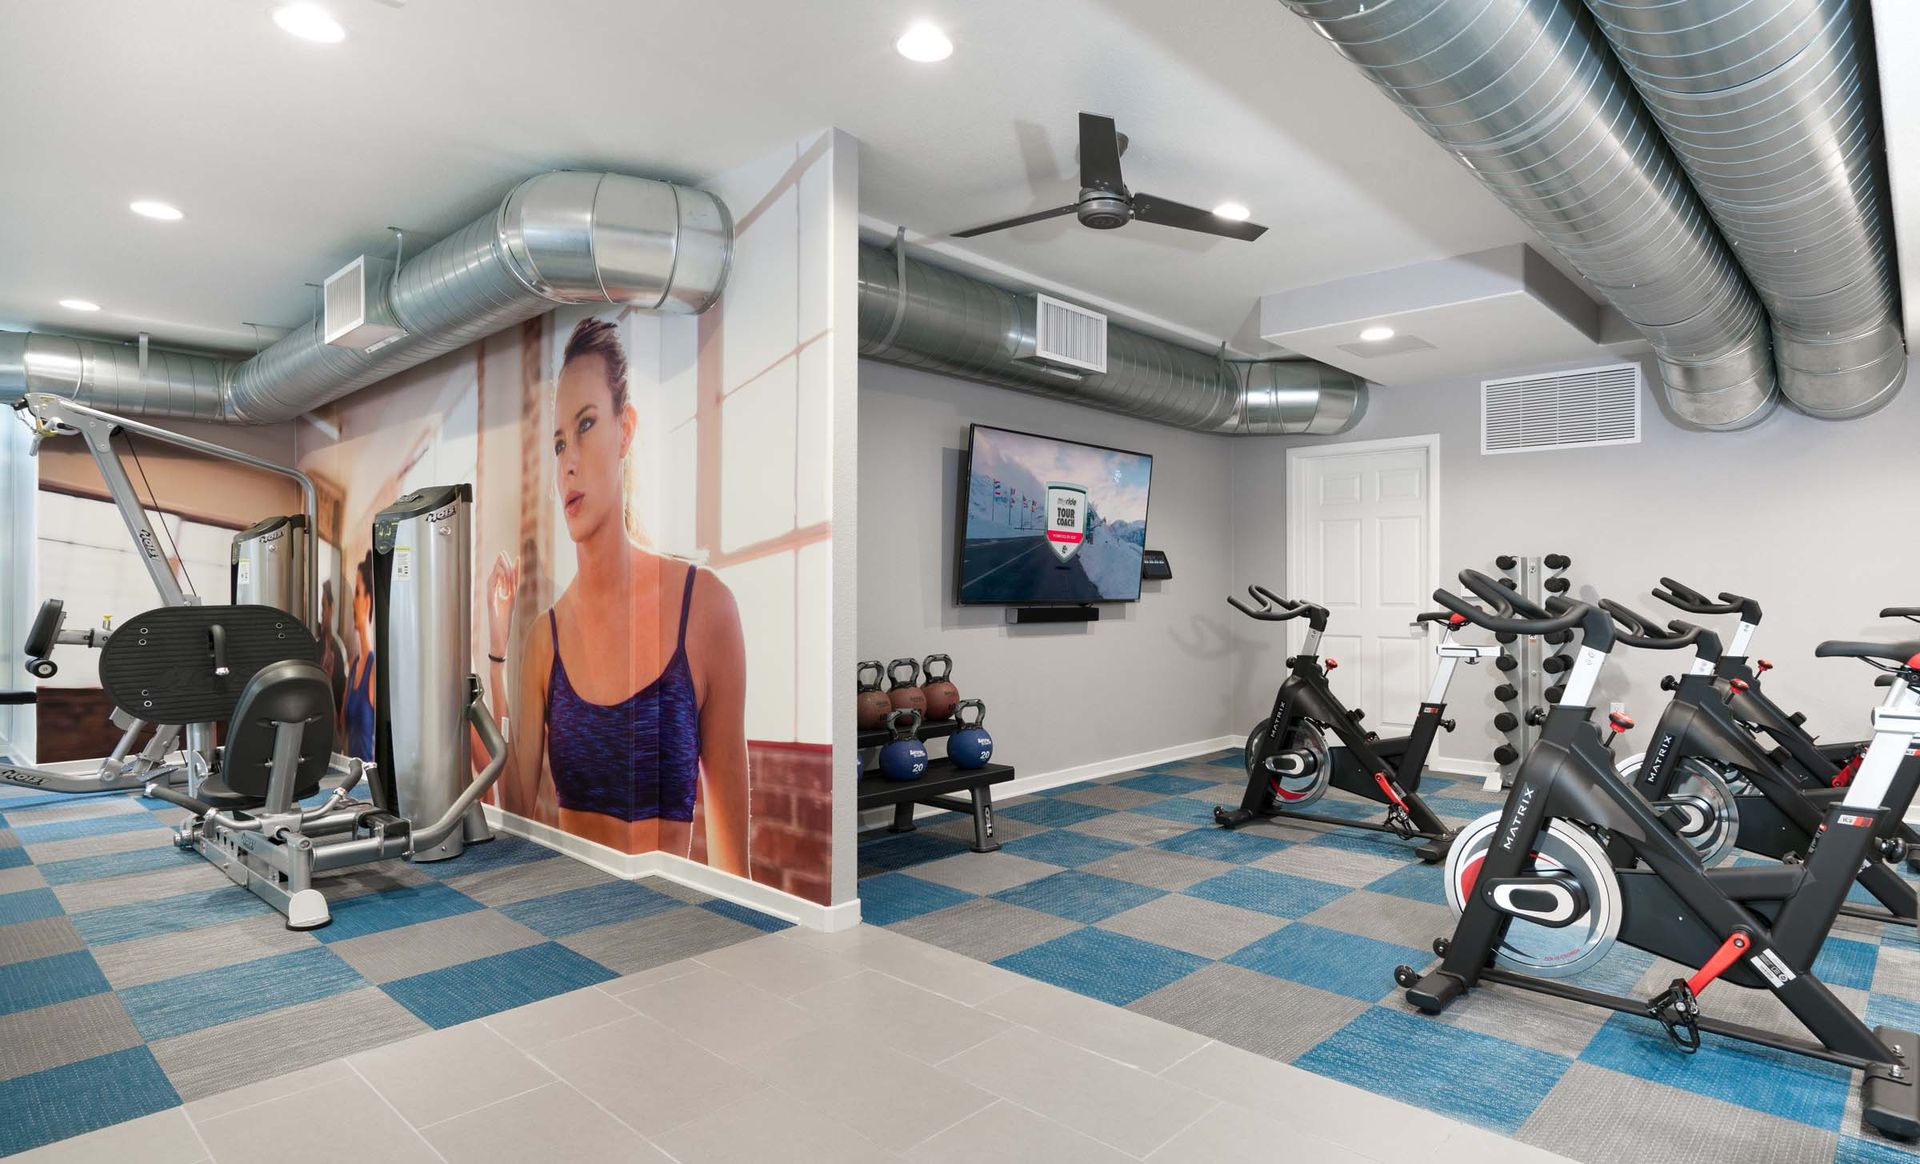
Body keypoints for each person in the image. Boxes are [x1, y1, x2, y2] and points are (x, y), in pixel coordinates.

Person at [486, 317, 749, 874]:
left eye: (586, 425)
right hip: (570, 923)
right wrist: (497, 651)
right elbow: (514, 816)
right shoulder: (544, 641)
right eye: (559, 443)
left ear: (625, 429)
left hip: (666, 928)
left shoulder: (707, 610)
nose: (569, 461)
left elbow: (734, 870)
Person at [344, 553, 377, 761]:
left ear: (367, 601)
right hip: (351, 780)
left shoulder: (376, 670)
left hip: (371, 785)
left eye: (357, 592)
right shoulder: (354, 665)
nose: (353, 602)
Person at [316, 579, 350, 738]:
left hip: (330, 730)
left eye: (323, 606)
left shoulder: (338, 648)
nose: (321, 613)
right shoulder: (312, 640)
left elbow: (342, 698)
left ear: (332, 608)